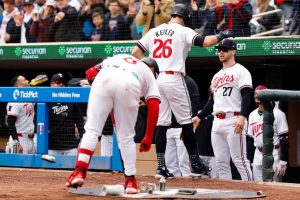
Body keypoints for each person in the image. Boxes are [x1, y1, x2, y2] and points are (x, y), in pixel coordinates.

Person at [132, 3, 234, 178]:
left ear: (172, 15)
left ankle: (161, 168)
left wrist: (147, 73)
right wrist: (221, 35)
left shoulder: (155, 30)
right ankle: (195, 164)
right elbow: (205, 42)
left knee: (162, 123)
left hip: (156, 79)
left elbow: (135, 52)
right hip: (174, 77)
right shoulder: (182, 30)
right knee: (186, 122)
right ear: (185, 18)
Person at [66, 54, 160, 194]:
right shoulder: (148, 74)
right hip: (130, 83)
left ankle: (79, 171)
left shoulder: (119, 57)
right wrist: (148, 137)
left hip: (104, 78)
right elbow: (154, 107)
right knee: (126, 136)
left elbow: (90, 73)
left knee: (92, 130)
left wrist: (104, 101)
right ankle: (130, 182)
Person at [193, 38, 253, 181]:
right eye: (219, 50)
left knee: (239, 160)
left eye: (224, 49)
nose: (220, 52)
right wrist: (199, 116)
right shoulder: (216, 76)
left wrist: (243, 116)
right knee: (221, 162)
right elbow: (213, 101)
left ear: (233, 51)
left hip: (234, 118)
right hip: (217, 121)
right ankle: (229, 193)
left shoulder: (241, 71)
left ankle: (252, 188)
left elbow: (246, 96)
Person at [247, 85, 289, 182]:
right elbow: (250, 139)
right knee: (258, 186)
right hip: (257, 153)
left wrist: (283, 161)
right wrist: (249, 159)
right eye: (255, 93)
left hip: (273, 153)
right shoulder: (252, 114)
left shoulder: (279, 114)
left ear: (267, 95)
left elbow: (284, 139)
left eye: (259, 93)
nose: (256, 95)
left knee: (275, 188)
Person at [48, 73, 85, 155]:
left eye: (62, 82)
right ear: (52, 84)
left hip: (70, 145)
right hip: (52, 146)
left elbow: (79, 120)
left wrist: (82, 136)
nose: (61, 84)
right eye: (58, 82)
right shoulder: (46, 101)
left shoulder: (71, 99)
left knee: (71, 168)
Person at [6, 75, 36, 154]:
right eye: (24, 80)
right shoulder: (14, 101)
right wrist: (16, 142)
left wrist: (36, 81)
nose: (27, 80)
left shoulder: (29, 98)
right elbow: (10, 122)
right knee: (16, 166)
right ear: (19, 85)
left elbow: (36, 94)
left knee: (31, 166)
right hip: (20, 139)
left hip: (31, 139)